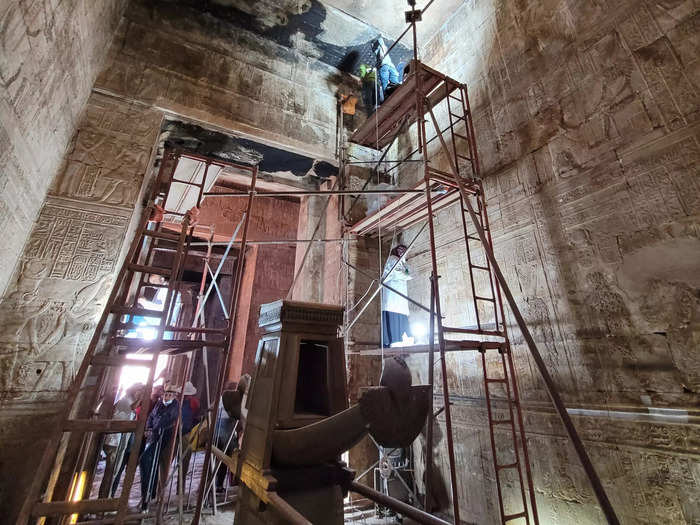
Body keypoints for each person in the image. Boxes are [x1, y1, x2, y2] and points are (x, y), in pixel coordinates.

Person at [99, 383, 144, 498]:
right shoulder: (125, 401)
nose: (142, 394)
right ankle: (103, 501)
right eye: (140, 391)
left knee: (113, 472)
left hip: (120, 442)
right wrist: (140, 399)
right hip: (115, 441)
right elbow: (131, 409)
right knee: (111, 472)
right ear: (134, 391)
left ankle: (105, 499)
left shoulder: (128, 401)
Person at [139, 384, 179, 510]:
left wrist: (158, 429)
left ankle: (152, 494)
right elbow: (151, 417)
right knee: (148, 463)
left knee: (150, 461)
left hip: (164, 439)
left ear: (174, 395)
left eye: (169, 394)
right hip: (154, 437)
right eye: (165, 394)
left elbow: (170, 421)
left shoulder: (175, 406)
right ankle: (148, 494)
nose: (166, 396)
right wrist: (149, 428)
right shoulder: (159, 404)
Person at [381, 243, 412, 347]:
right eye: (399, 249)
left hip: (400, 291)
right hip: (393, 290)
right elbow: (399, 273)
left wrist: (406, 274)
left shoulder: (403, 262)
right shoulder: (393, 259)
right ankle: (393, 339)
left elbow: (410, 273)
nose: (401, 252)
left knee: (401, 311)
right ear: (395, 250)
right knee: (394, 310)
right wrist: (406, 275)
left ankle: (403, 338)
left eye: (403, 250)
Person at [372, 37, 401, 104]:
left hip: (389, 92)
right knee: (388, 65)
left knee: (385, 65)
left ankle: (379, 43)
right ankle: (377, 47)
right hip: (395, 87)